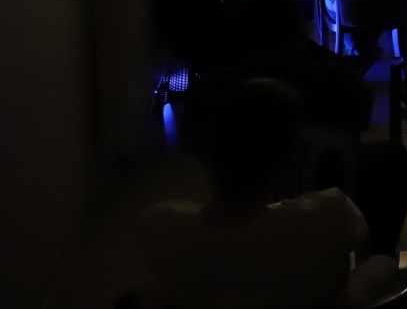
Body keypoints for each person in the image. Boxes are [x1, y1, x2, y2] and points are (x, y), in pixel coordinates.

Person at [139, 78, 384, 309]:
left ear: (209, 147)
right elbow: (360, 239)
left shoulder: (160, 228)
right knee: (384, 264)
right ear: (289, 158)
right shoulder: (333, 214)